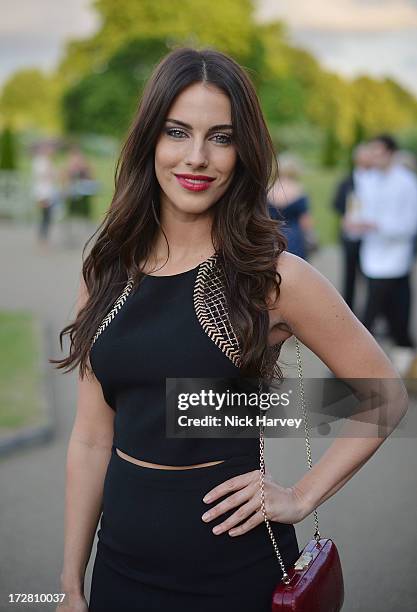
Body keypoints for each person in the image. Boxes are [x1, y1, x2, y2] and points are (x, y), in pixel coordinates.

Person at [53, 49, 408, 612]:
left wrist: (300, 494)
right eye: (177, 132)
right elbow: (93, 437)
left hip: (231, 571)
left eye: (221, 136)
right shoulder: (107, 267)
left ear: (245, 151)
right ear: (149, 140)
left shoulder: (273, 277)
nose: (197, 157)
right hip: (120, 565)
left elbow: (383, 395)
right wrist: (70, 581)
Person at [345, 134, 417, 376]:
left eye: (377, 152)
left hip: (395, 261)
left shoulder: (406, 183)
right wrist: (354, 226)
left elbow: (408, 226)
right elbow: (359, 213)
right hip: (372, 259)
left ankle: (346, 370)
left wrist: (375, 226)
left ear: (390, 153)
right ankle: (404, 369)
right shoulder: (369, 180)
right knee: (397, 323)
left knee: (368, 319)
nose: (372, 157)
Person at [332, 143, 375, 311]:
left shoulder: (378, 181)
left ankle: (372, 311)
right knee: (349, 275)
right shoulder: (347, 181)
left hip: (371, 236)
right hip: (350, 234)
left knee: (370, 275)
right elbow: (337, 203)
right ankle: (348, 310)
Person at [267, 153, 316, 260]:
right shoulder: (299, 190)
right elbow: (305, 220)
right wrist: (312, 236)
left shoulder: (269, 189)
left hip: (273, 237)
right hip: (294, 237)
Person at [31, 141, 58, 248]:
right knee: (45, 217)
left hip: (48, 193)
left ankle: (44, 239)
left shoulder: (46, 161)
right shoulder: (41, 161)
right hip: (43, 193)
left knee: (47, 217)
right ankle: (42, 240)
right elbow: (44, 176)